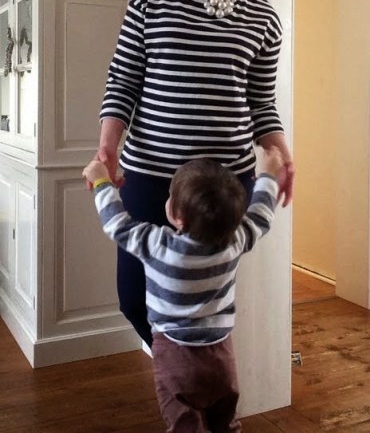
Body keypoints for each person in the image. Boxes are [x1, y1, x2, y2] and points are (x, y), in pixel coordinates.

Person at [90, 0, 294, 347]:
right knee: (133, 298)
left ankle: (186, 380)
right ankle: (178, 372)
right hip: (150, 176)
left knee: (202, 302)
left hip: (223, 186)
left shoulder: (264, 18)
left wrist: (284, 155)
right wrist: (107, 145)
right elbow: (123, 81)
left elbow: (261, 102)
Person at [83, 147, 286, 433]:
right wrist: (268, 174)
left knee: (185, 427)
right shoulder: (235, 242)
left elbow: (117, 224)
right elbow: (261, 215)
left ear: (177, 216)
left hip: (175, 355)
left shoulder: (158, 245)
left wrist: (101, 181)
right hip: (221, 357)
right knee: (224, 424)